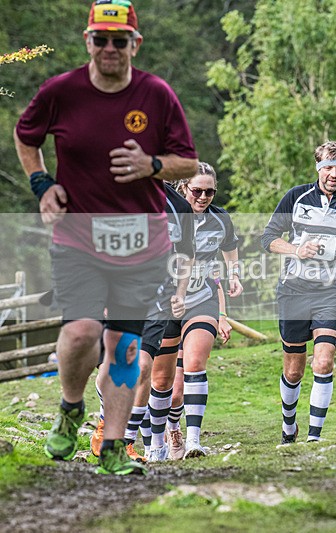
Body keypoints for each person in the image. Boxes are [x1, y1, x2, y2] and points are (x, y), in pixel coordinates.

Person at [14, 0, 198, 475]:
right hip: (79, 236)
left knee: (126, 349)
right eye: (101, 39)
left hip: (142, 240)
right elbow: (25, 135)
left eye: (120, 41)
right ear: (88, 41)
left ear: (135, 43)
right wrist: (42, 184)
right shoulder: (61, 91)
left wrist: (153, 166)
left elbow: (189, 163)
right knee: (81, 333)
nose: (110, 48)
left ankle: (112, 447)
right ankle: (71, 406)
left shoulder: (156, 94)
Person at [261, 140, 336, 444]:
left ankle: (314, 438)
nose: (334, 173)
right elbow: (269, 239)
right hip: (293, 291)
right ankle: (289, 427)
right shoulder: (296, 198)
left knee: (323, 362)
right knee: (294, 371)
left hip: (332, 292)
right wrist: (296, 249)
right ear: (318, 168)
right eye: (328, 166)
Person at [90, 181, 195, 463]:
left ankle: (124, 442)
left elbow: (185, 255)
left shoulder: (180, 206)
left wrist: (181, 293)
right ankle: (105, 422)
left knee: (143, 366)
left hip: (158, 299)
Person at [146, 162, 241, 462]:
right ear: (183, 187)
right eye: (197, 190)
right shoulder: (168, 213)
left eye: (210, 192)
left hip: (202, 298)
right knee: (164, 385)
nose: (203, 197)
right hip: (166, 302)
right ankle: (158, 442)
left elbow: (228, 253)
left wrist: (234, 275)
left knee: (196, 362)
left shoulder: (220, 219)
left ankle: (193, 440)